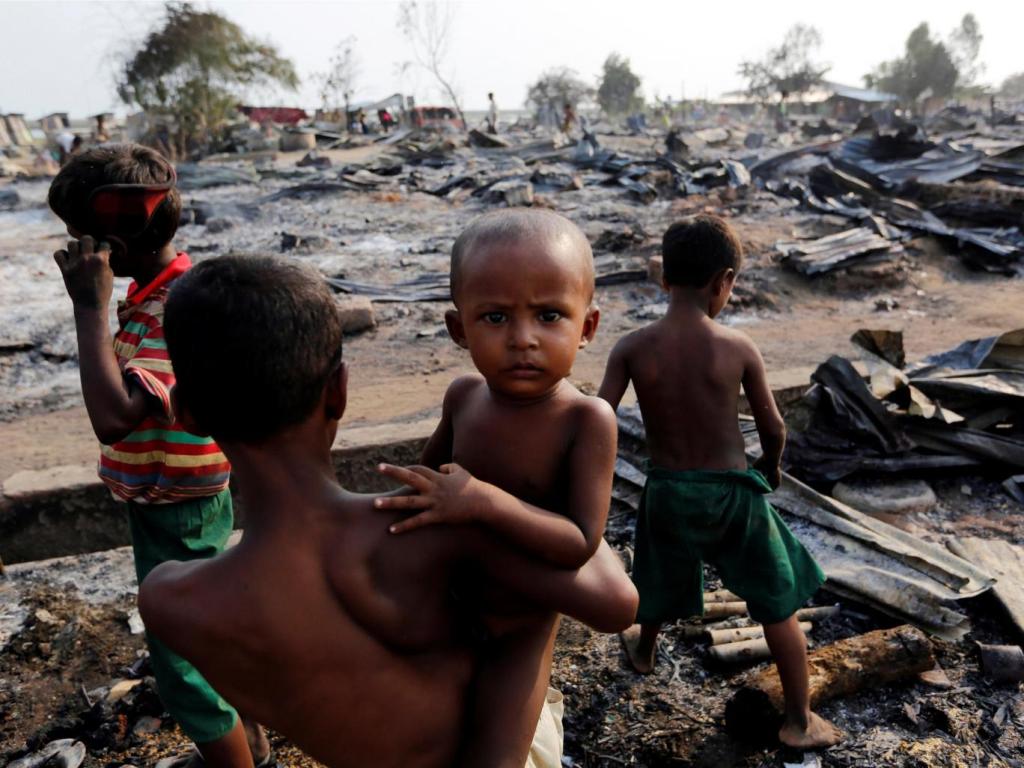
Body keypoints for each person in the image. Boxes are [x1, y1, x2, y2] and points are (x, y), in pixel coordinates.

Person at [139, 255, 638, 768]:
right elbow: (615, 603)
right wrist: (516, 497)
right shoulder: (431, 532)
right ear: (339, 391)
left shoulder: (173, 600)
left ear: (186, 413)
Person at [47, 145, 269, 768]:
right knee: (212, 637)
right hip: (165, 501)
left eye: (81, 238)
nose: (76, 251)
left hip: (184, 510)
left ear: (114, 240)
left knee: (183, 667)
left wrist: (88, 307)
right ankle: (250, 751)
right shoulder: (154, 294)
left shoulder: (174, 308)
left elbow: (115, 419)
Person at [374, 209, 619, 764]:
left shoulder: (586, 420)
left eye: (549, 315)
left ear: (587, 327)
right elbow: (431, 483)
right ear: (458, 329)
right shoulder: (464, 398)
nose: (523, 339)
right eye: (495, 318)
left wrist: (484, 502)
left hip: (520, 625)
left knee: (497, 757)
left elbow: (580, 539)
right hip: (450, 606)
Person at [597, 215, 843, 750]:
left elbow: (599, 417)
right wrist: (771, 469)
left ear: (663, 277)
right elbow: (774, 427)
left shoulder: (632, 348)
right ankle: (799, 720)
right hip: (732, 494)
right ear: (723, 282)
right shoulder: (737, 347)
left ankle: (642, 650)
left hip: (667, 490)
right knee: (777, 601)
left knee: (657, 577)